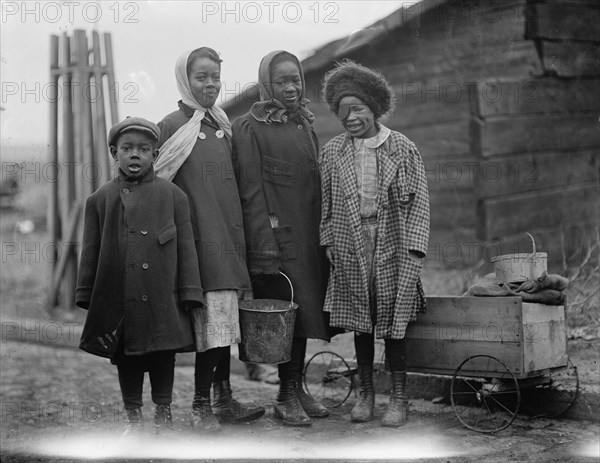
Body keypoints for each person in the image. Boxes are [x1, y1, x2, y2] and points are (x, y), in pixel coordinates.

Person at [155, 47, 265, 431]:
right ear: (186, 80)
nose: (211, 84)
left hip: (229, 238)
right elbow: (156, 186)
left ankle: (222, 397)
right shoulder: (171, 126)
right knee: (210, 322)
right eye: (202, 77)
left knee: (223, 322)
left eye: (216, 77)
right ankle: (201, 405)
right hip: (198, 242)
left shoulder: (223, 126)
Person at [76, 117, 204, 435]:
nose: (135, 155)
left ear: (155, 154)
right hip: (120, 299)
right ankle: (132, 416)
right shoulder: (100, 200)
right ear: (114, 152)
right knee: (127, 358)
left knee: (163, 355)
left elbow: (186, 248)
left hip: (163, 296)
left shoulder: (174, 197)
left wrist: (190, 291)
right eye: (127, 148)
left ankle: (164, 411)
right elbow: (90, 251)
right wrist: (86, 293)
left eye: (144, 149)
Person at [319, 61, 430, 427]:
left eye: (358, 109)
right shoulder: (333, 151)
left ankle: (399, 399)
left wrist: (414, 249)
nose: (350, 118)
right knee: (361, 321)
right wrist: (327, 241)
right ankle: (366, 393)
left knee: (394, 322)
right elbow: (326, 203)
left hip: (393, 241)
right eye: (342, 111)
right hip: (350, 241)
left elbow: (419, 205)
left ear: (374, 108)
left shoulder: (401, 147)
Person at [231, 50, 331, 427]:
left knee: (304, 313)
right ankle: (285, 395)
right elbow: (251, 191)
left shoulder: (303, 122)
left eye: (296, 80)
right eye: (282, 82)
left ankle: (298, 387)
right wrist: (263, 247)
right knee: (285, 317)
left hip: (309, 237)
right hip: (278, 241)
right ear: (265, 85)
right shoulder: (249, 127)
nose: (291, 88)